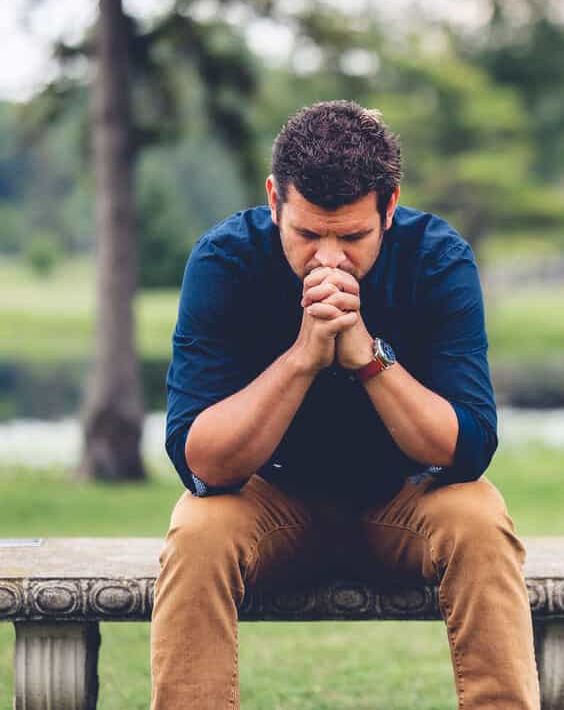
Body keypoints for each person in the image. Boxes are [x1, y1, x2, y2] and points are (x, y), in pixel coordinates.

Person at [150, 100, 540, 709]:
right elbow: (201, 464)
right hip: (272, 503)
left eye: (353, 237)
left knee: (480, 517)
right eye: (307, 234)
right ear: (275, 199)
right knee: (197, 529)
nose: (329, 259)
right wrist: (304, 358)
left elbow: (466, 449)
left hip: (403, 503)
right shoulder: (224, 260)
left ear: (389, 206)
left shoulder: (437, 258)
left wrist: (367, 358)